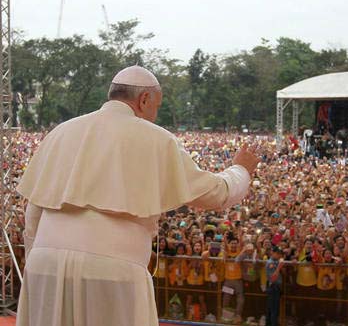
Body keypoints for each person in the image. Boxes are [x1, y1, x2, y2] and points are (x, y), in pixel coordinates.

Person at [15, 65, 261, 326]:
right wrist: (241, 169)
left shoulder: (60, 132)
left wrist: (38, 259)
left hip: (44, 265)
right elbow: (215, 193)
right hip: (111, 271)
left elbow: (34, 209)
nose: (155, 116)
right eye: (156, 107)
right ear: (144, 100)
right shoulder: (155, 138)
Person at [266, 246, 284, 326]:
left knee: (273, 309)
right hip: (273, 287)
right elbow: (272, 279)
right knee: (274, 309)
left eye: (279, 253)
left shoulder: (276, 261)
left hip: (277, 287)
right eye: (277, 253)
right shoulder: (270, 263)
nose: (279, 255)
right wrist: (279, 267)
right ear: (272, 253)